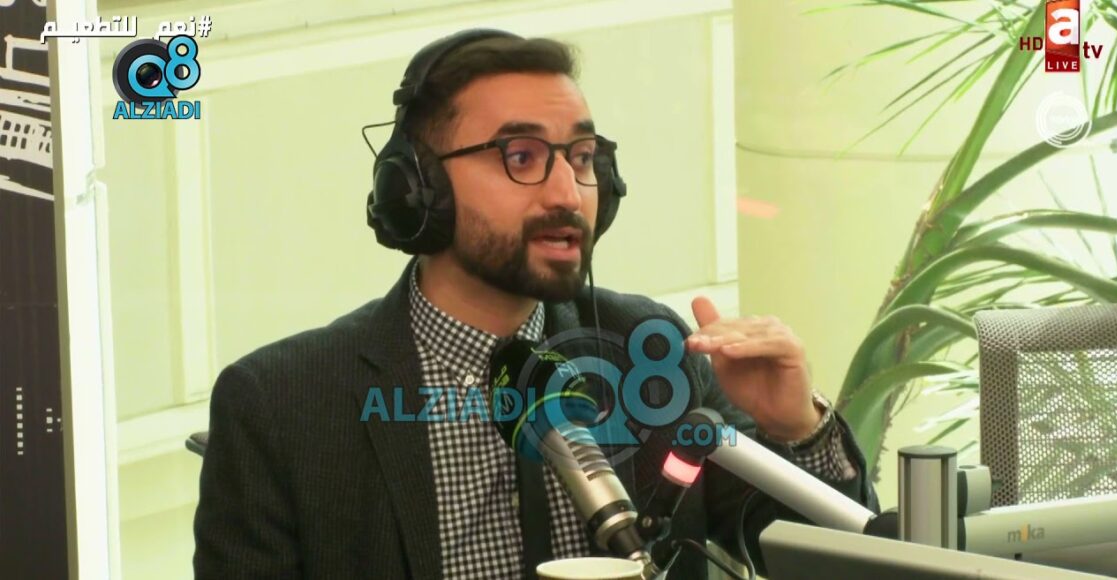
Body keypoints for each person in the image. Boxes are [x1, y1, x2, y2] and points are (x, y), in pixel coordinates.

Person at [192, 29, 879, 580]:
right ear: (419, 190)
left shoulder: (651, 348)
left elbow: (832, 564)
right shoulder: (281, 405)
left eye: (581, 157)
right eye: (520, 157)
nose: (566, 193)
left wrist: (797, 429)